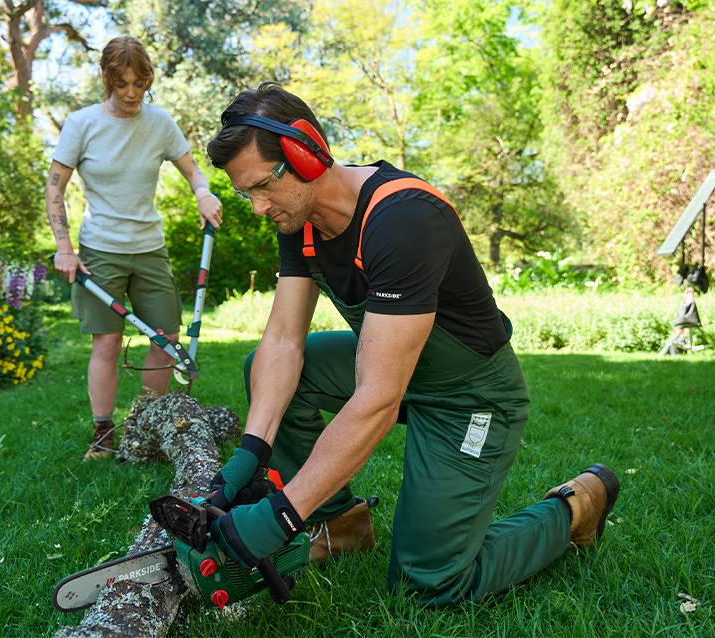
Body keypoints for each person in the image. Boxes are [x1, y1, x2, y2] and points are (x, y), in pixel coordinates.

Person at [202, 83, 620, 606]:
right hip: (396, 369)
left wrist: (282, 514)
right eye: (247, 194)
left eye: (263, 186)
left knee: (429, 582)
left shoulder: (403, 218)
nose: (258, 207)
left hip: (469, 397)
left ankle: (575, 508)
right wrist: (249, 454)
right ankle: (341, 525)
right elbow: (284, 342)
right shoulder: (299, 218)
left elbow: (377, 397)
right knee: (277, 367)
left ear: (306, 155)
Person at [45, 36, 222, 460]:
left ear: (148, 82)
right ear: (107, 80)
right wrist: (64, 247)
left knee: (166, 338)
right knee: (106, 343)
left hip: (149, 247)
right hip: (100, 249)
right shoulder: (82, 123)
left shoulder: (159, 122)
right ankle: (103, 435)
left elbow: (194, 172)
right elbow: (54, 190)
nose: (130, 94)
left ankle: (146, 426)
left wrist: (203, 193)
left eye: (139, 84)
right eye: (121, 83)